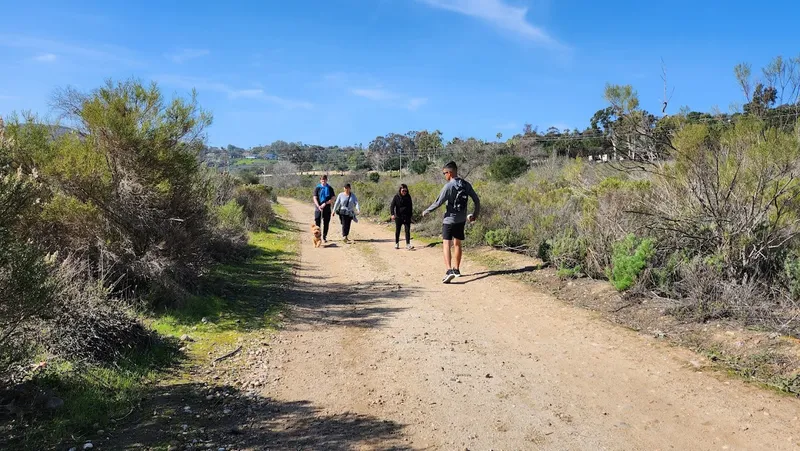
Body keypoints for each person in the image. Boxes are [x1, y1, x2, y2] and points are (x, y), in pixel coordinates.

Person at [422, 161, 480, 283]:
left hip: (449, 220)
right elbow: (476, 200)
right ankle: (457, 269)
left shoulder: (448, 186)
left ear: (450, 172)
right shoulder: (466, 184)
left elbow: (438, 202)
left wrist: (427, 211)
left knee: (446, 244)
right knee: (457, 243)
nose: (444, 176)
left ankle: (449, 270)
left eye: (444, 173)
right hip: (461, 220)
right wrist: (475, 215)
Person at [390, 184, 414, 250]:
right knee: (398, 230)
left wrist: (410, 216)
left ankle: (408, 244)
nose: (404, 192)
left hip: (407, 216)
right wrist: (392, 214)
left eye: (406, 191)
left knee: (407, 230)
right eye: (403, 191)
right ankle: (397, 243)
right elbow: (392, 206)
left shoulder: (408, 197)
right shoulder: (396, 197)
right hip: (398, 216)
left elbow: (411, 206)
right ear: (400, 190)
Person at [313, 175, 335, 243]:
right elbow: (314, 197)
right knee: (317, 221)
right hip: (318, 207)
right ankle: (317, 237)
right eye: (322, 180)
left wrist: (325, 203)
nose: (323, 181)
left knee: (326, 223)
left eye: (324, 180)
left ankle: (324, 237)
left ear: (326, 180)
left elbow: (333, 198)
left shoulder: (330, 188)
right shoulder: (317, 188)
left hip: (327, 207)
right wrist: (318, 206)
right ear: (320, 180)